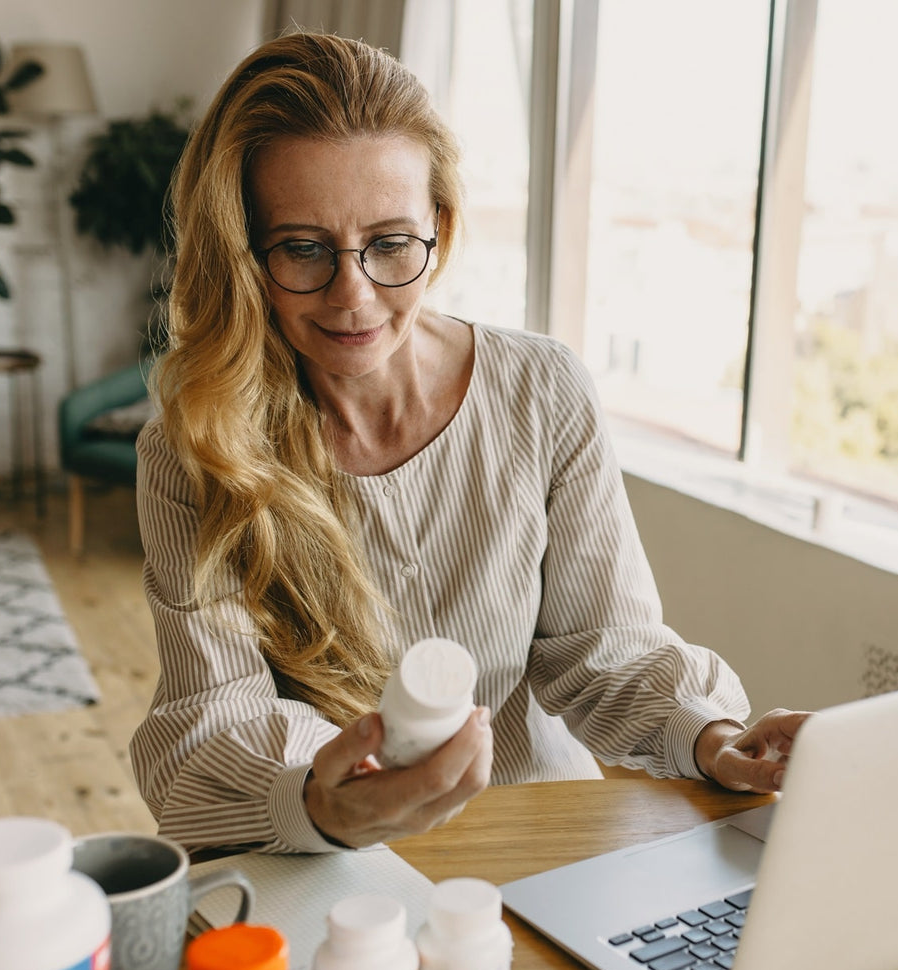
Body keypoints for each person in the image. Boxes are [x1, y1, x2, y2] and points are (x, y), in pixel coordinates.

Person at [130, 31, 809, 855]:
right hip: (327, 853)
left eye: (389, 244)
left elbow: (605, 652)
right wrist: (324, 802)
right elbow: (216, 719)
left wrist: (713, 737)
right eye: (303, 248)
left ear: (439, 228)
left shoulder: (543, 391)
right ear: (245, 252)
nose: (354, 295)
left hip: (536, 835)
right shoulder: (195, 450)